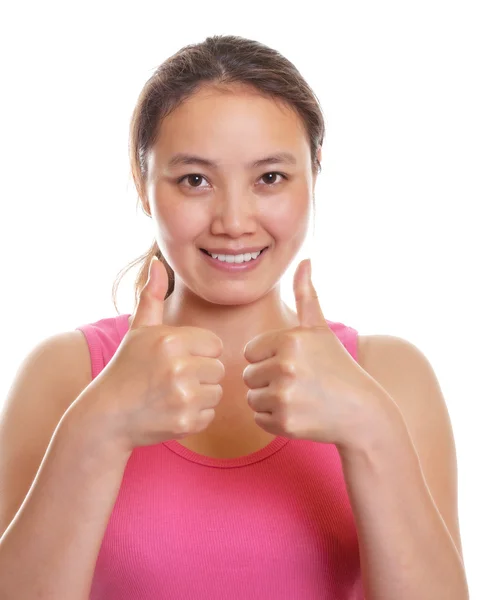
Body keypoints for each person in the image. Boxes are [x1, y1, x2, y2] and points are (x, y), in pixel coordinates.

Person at [0, 34, 468, 600]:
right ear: (144, 185)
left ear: (313, 175)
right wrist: (98, 430)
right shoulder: (66, 373)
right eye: (194, 180)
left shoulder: (392, 377)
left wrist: (371, 430)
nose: (234, 220)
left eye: (270, 177)